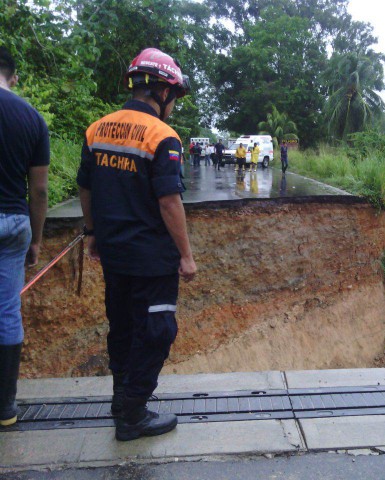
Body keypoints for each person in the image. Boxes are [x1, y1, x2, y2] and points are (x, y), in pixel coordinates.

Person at [76, 47, 197, 442]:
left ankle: (119, 399)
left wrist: (93, 232)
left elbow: (86, 186)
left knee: (123, 326)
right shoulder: (163, 136)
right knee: (158, 330)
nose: (174, 105)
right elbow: (168, 200)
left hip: (114, 254)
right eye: (174, 97)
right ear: (162, 91)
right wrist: (186, 255)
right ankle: (133, 414)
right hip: (152, 260)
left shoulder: (98, 129)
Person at [0, 47, 49, 427]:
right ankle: (5, 409)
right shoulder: (31, 117)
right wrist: (35, 240)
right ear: (12, 76)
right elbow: (40, 190)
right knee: (6, 312)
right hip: (14, 222)